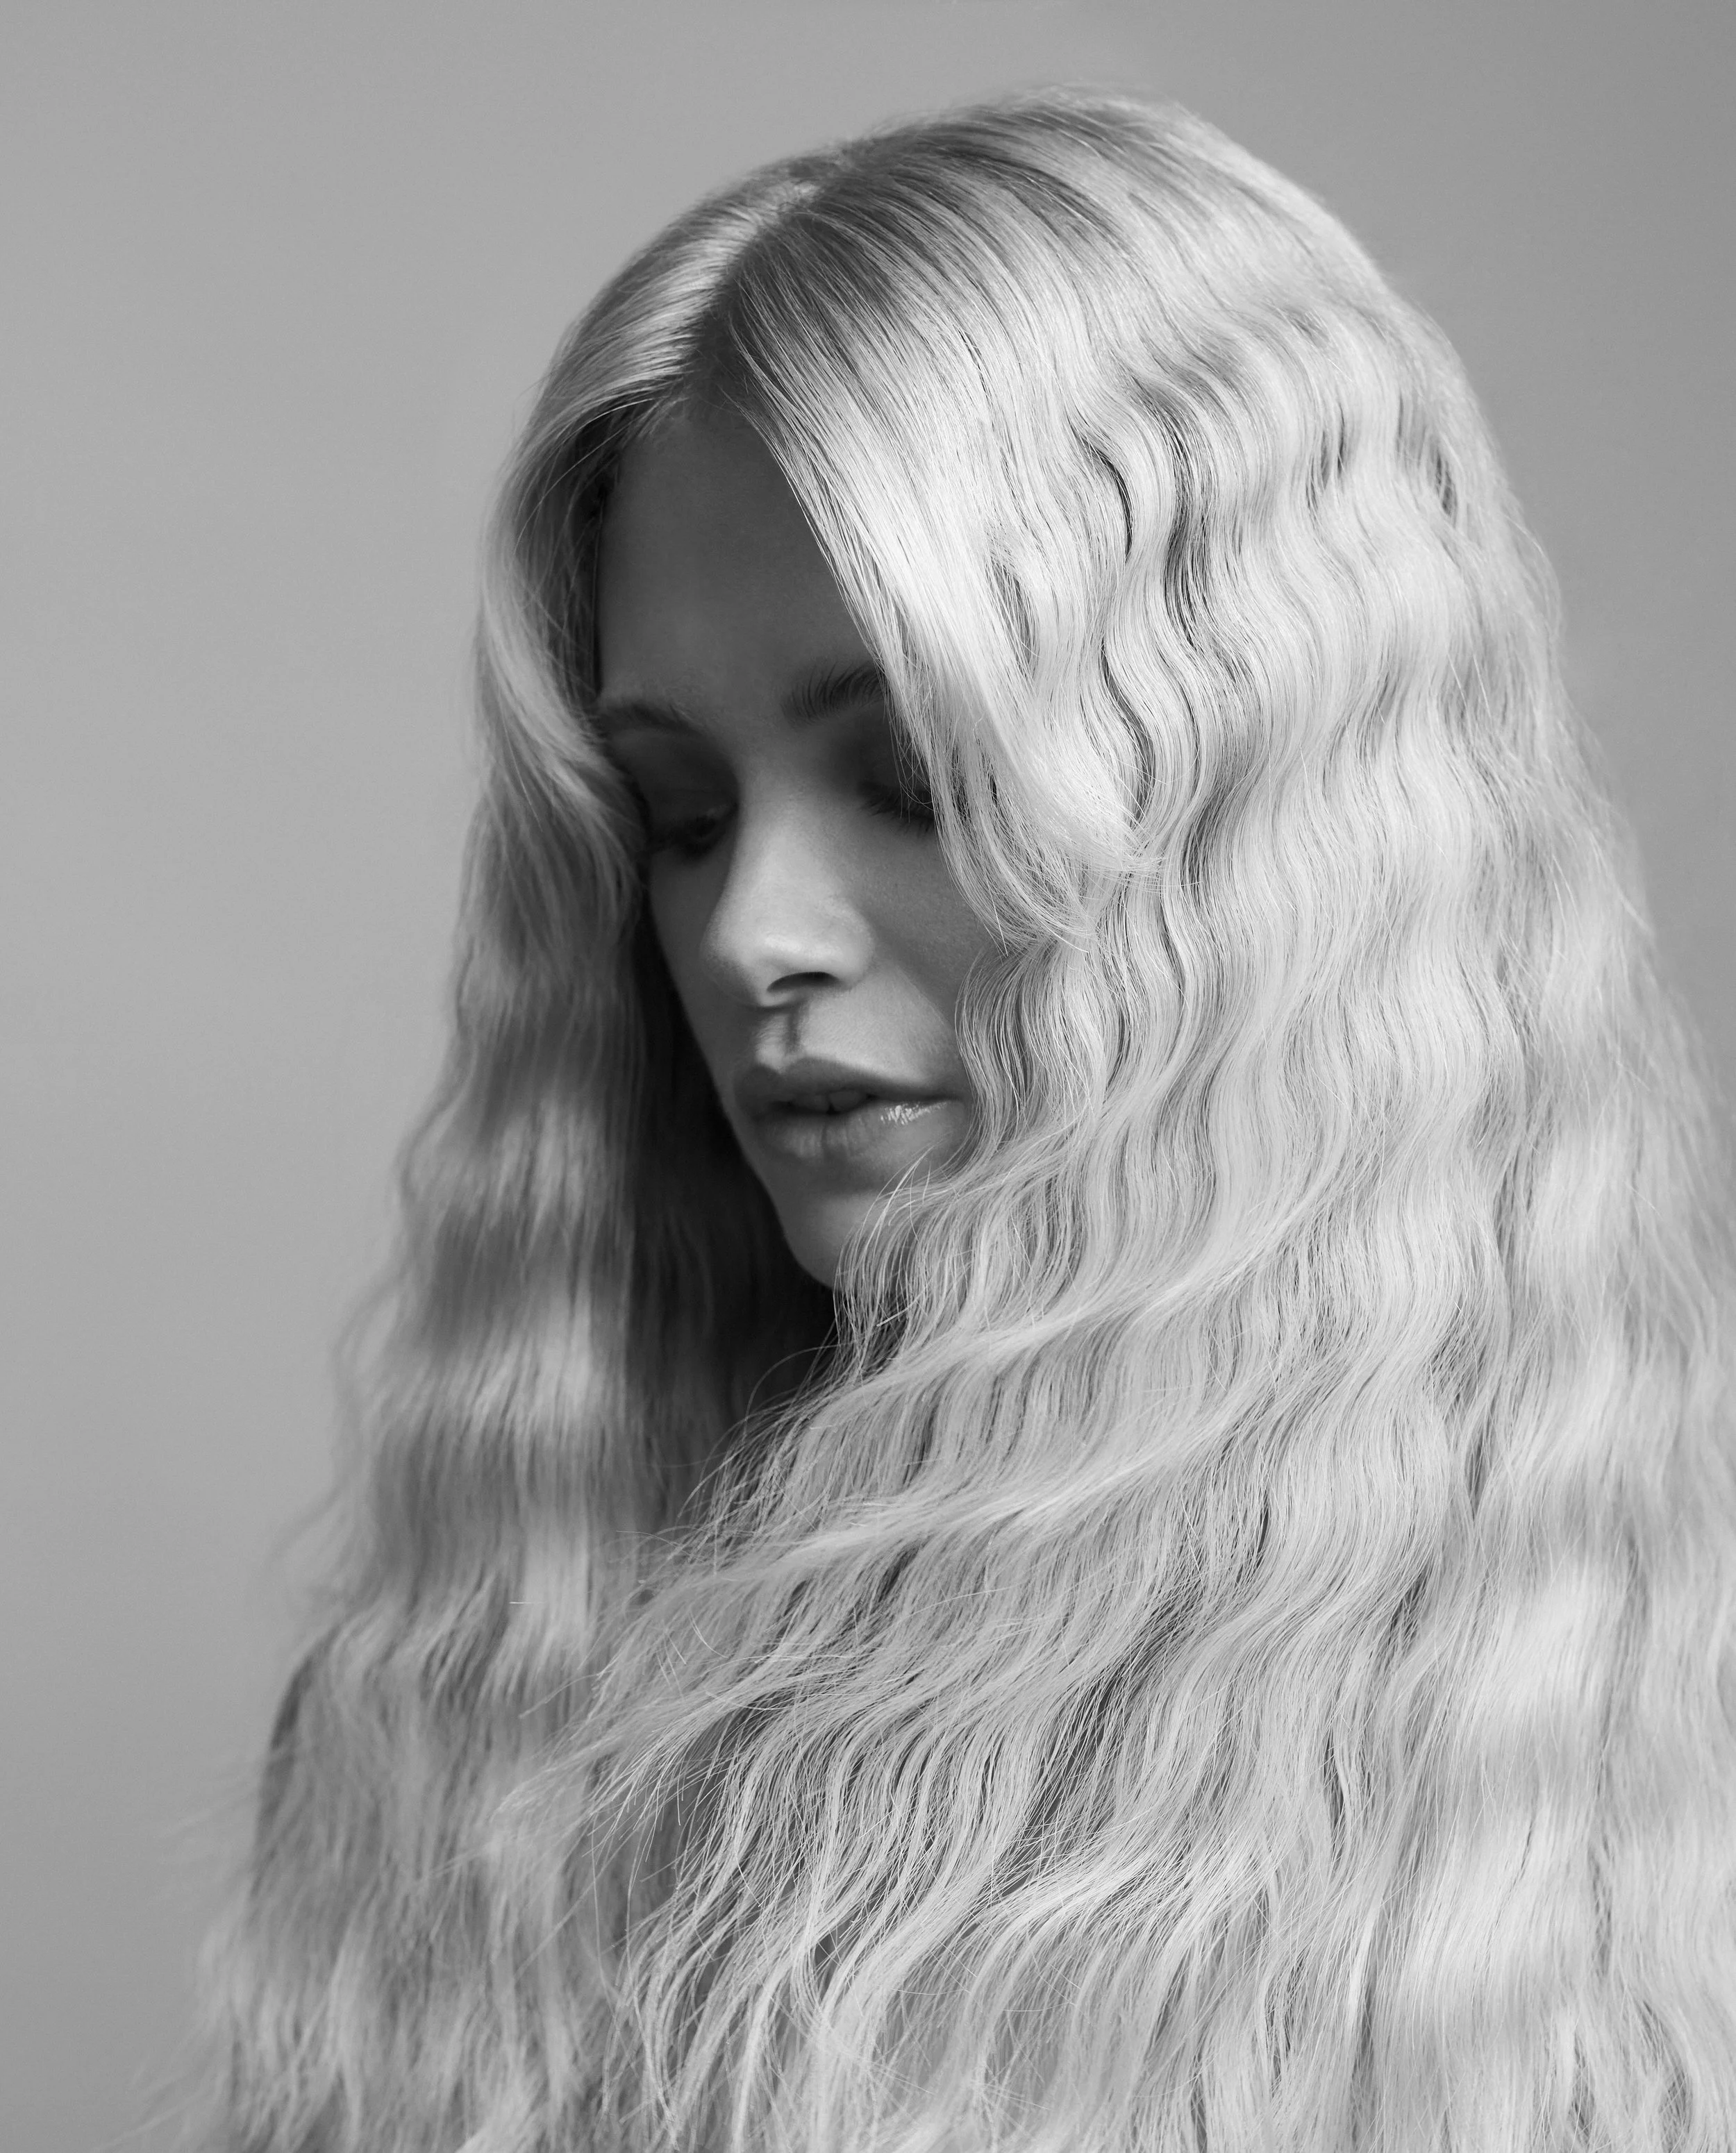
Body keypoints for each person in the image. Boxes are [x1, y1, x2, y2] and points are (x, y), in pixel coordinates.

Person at [202, 90, 1736, 2153]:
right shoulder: (470, 1727)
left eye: (912, 777)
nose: (752, 930)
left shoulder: (1635, 1771)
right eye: (676, 814)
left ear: (1259, 819)